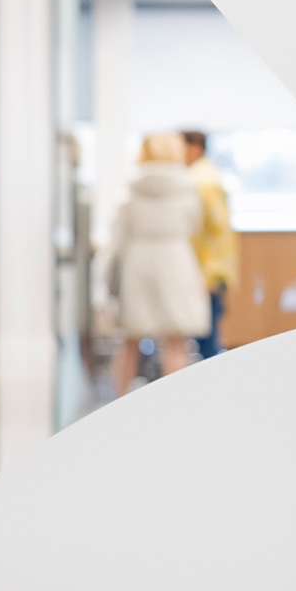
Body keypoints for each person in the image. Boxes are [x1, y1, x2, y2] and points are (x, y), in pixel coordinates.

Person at [111, 132, 210, 394]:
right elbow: (195, 225)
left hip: (138, 260)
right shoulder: (188, 186)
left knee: (130, 341)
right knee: (176, 341)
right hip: (175, 259)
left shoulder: (131, 188)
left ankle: (117, 404)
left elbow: (119, 234)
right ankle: (174, 408)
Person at [180, 129, 238, 358]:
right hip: (209, 268)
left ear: (196, 148)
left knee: (207, 338)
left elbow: (214, 228)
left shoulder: (201, 180)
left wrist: (209, 274)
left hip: (207, 270)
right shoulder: (204, 176)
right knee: (206, 335)